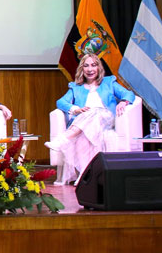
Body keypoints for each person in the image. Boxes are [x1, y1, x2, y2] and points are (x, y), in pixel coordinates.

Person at [45, 53, 135, 185]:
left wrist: (123, 101)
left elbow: (128, 93)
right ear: (82, 69)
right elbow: (61, 102)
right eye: (86, 66)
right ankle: (84, 174)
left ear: (99, 68)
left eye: (93, 65)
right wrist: (75, 109)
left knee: (94, 111)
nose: (90, 69)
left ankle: (63, 139)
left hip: (106, 118)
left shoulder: (108, 82)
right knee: (82, 137)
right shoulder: (76, 87)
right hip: (85, 123)